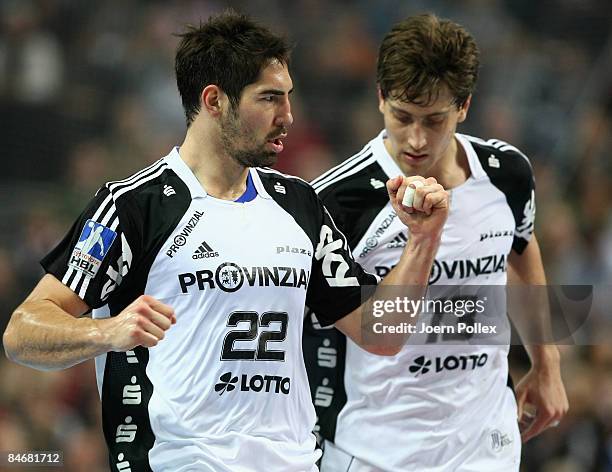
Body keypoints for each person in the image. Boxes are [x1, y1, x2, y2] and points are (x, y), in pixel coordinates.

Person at [2, 11, 450, 472]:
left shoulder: (298, 203)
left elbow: (380, 333)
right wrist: (106, 332)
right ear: (214, 100)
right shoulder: (134, 206)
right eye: (270, 99)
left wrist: (422, 238)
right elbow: (22, 333)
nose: (288, 117)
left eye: (288, 98)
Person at [303, 13, 569, 472]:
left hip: (488, 443)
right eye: (403, 117)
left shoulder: (507, 174)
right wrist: (423, 241)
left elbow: (522, 251)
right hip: (376, 451)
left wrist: (547, 364)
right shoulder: (335, 202)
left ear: (464, 106)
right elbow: (371, 331)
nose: (416, 139)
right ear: (381, 97)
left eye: (435, 119)